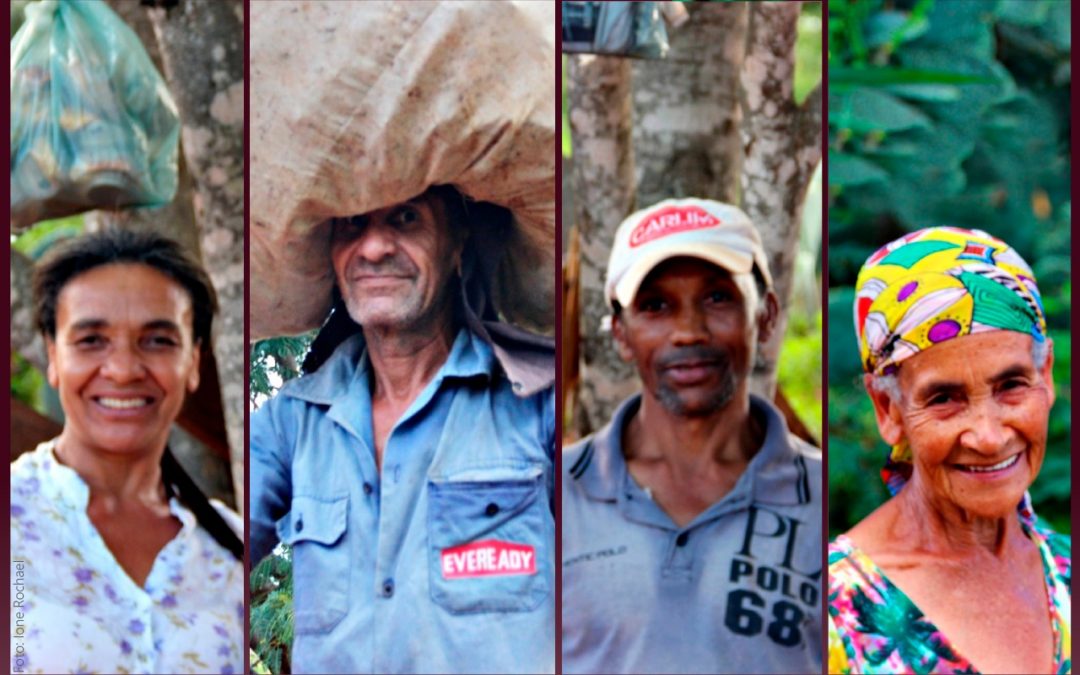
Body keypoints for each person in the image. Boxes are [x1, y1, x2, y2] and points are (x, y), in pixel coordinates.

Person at [249, 185, 556, 673]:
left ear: (456, 248)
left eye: (407, 218)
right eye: (353, 224)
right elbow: (199, 547)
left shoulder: (538, 402)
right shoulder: (291, 423)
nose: (374, 248)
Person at [562, 198, 823, 674]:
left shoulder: (824, 504)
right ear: (620, 334)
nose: (688, 331)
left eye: (718, 298)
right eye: (656, 306)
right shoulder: (553, 496)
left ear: (765, 316)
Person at [828, 227, 1070, 674]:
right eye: (943, 399)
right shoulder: (832, 615)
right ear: (888, 408)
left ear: (1046, 375)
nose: (989, 437)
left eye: (1011, 385)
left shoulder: (1066, 572)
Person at [10, 230, 243, 675]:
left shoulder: (229, 548)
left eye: (157, 340)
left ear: (193, 362)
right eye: (91, 340)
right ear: (52, 357)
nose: (122, 370)